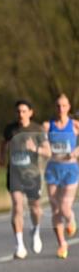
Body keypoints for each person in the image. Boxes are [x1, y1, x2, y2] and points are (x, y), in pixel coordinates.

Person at [0, 100, 48, 259]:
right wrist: (1, 158)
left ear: (30, 112)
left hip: (32, 175)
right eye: (18, 112)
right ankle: (19, 244)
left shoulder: (37, 129)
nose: (21, 114)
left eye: (24, 111)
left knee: (35, 208)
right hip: (14, 174)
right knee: (17, 207)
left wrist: (34, 148)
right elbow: (3, 143)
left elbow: (48, 152)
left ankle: (36, 229)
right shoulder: (10, 129)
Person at [42, 93, 79, 259]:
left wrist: (76, 152)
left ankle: (71, 220)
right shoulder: (48, 126)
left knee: (65, 206)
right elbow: (43, 146)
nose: (60, 109)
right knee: (55, 208)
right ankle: (62, 244)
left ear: (69, 107)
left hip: (70, 169)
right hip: (53, 169)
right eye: (58, 106)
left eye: (64, 106)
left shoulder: (75, 125)